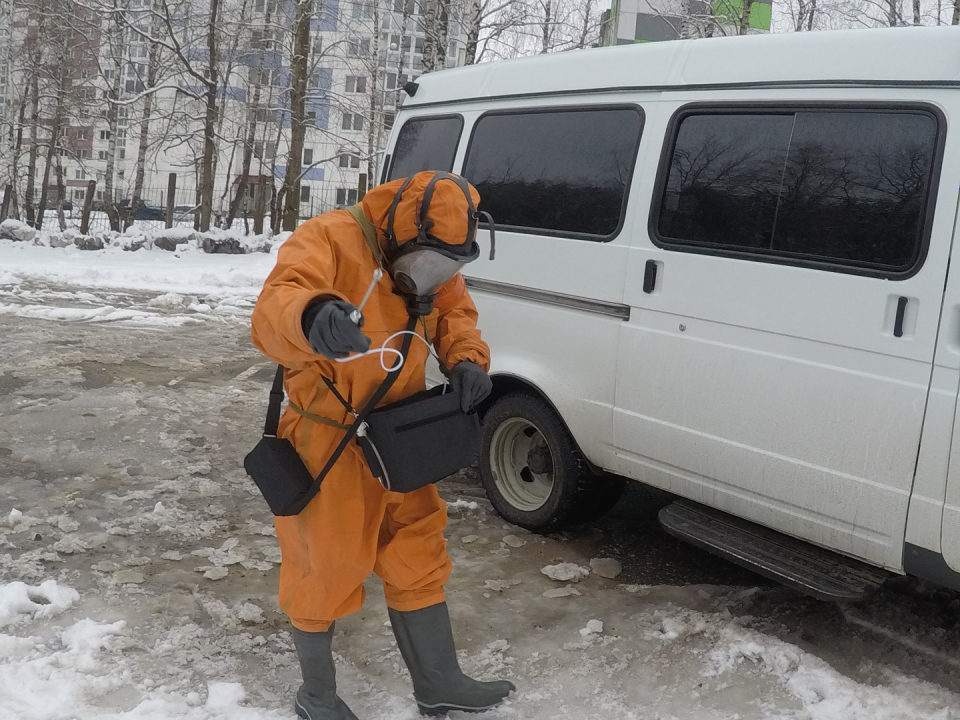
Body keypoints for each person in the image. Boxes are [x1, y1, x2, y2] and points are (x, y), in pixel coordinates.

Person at [250, 171, 514, 719]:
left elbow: (453, 311)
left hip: (401, 433)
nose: (431, 277)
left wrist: (467, 358)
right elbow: (278, 303)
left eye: (447, 265)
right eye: (425, 264)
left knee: (418, 548)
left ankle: (439, 683)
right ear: (396, 234)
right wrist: (313, 315)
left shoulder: (436, 259)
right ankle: (316, 697)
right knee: (324, 563)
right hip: (327, 435)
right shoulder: (327, 237)